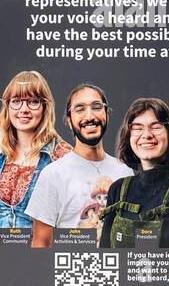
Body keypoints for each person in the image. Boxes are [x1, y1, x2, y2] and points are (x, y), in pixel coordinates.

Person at [29, 84, 133, 248]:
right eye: (80, 109)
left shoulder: (125, 172)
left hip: (115, 270)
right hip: (71, 272)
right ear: (69, 121)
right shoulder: (53, 175)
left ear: (106, 114)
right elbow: (40, 244)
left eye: (97, 107)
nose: (89, 116)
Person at [100, 98, 169, 250]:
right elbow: (104, 258)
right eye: (138, 128)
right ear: (128, 136)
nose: (147, 135)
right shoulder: (117, 191)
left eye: (156, 127)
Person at [0, 71, 70, 248]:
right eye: (16, 101)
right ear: (7, 107)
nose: (24, 109)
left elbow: (73, 219)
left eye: (33, 102)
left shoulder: (61, 155)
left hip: (40, 260)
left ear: (45, 107)